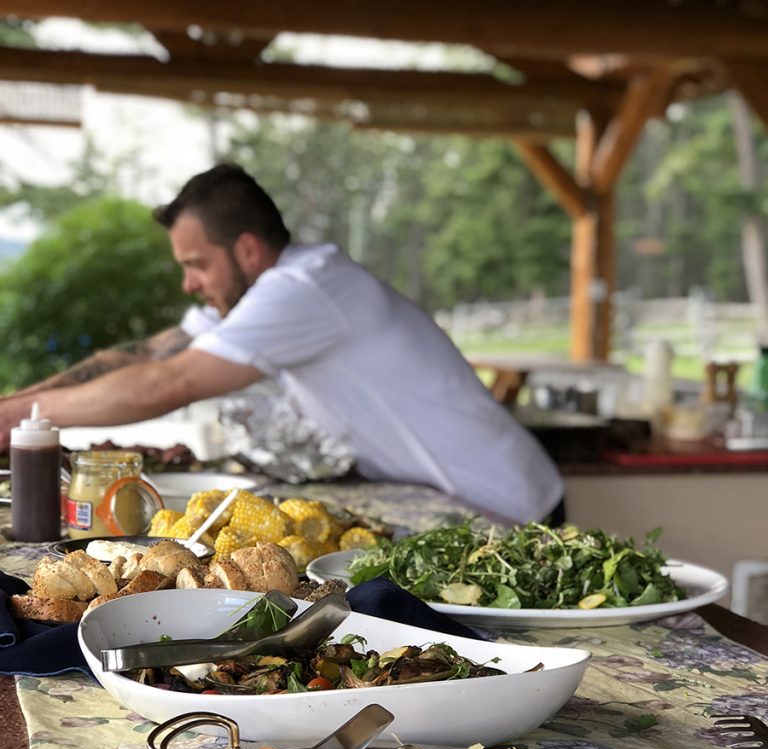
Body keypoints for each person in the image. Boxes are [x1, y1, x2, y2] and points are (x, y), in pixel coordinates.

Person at [0, 164, 564, 524]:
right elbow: (147, 356)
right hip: (452, 503)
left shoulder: (302, 289)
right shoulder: (260, 295)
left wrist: (15, 422)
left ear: (247, 251)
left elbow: (165, 385)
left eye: (197, 265)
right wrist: (10, 412)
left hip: (508, 506)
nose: (188, 285)